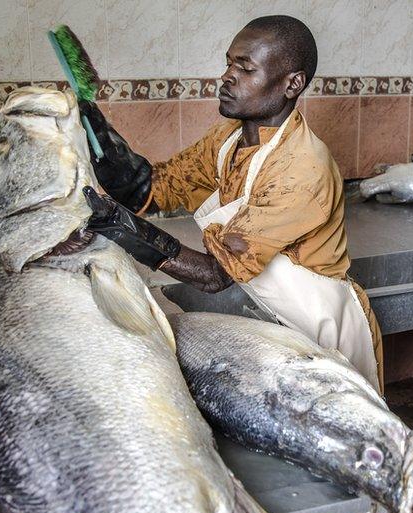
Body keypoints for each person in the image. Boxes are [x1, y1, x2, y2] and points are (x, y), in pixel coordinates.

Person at [76, 15, 383, 389]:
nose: (227, 76)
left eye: (245, 68)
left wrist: (128, 232)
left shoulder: (302, 167)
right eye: (228, 63)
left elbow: (216, 274)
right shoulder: (227, 139)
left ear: (292, 84)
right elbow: (155, 188)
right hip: (272, 321)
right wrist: (103, 144)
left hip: (323, 333)